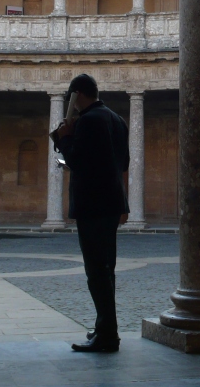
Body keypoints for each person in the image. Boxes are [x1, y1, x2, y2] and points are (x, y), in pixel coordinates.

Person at [52, 73, 130, 353]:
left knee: (96, 271)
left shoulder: (87, 120)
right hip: (111, 202)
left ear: (77, 95)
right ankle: (105, 327)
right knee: (106, 269)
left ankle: (107, 335)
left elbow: (77, 160)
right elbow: (124, 162)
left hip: (92, 203)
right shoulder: (117, 120)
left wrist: (64, 138)